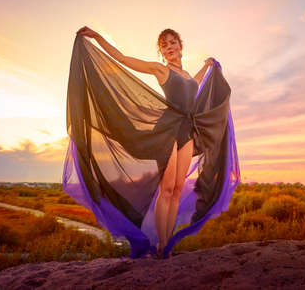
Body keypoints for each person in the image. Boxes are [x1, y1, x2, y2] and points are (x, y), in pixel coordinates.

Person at [64, 26, 240, 259]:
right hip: (167, 132)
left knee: (177, 189)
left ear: (180, 45)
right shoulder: (160, 70)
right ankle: (160, 245)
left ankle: (167, 246)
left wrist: (208, 66)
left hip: (187, 130)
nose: (169, 47)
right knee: (166, 190)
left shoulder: (187, 75)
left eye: (172, 42)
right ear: (161, 51)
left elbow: (195, 84)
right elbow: (123, 59)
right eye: (164, 45)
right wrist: (97, 38)